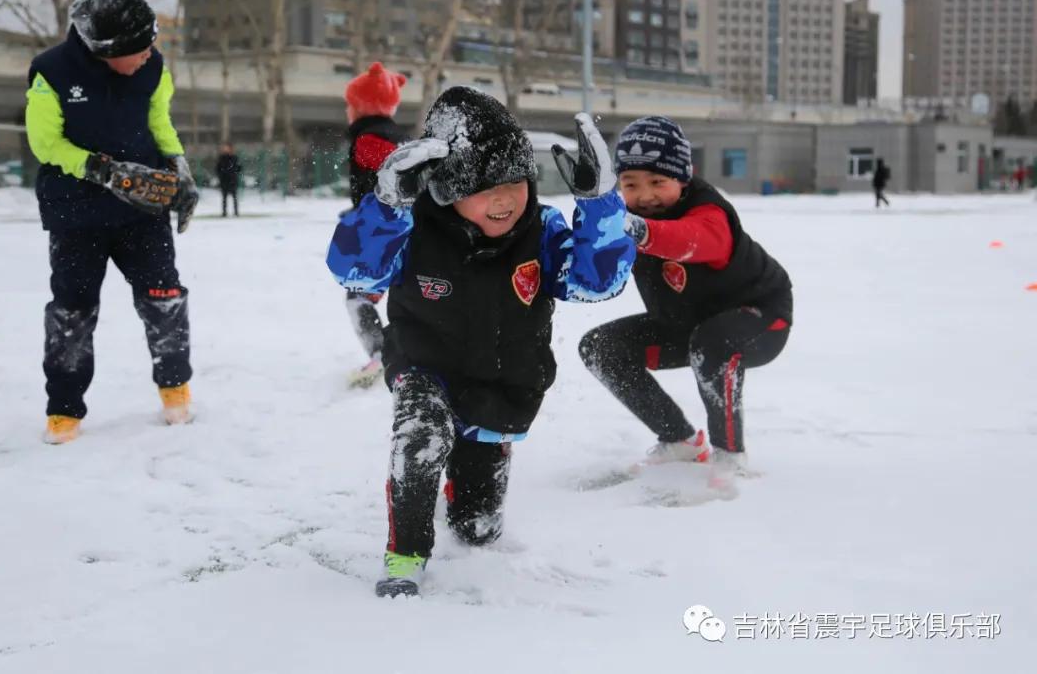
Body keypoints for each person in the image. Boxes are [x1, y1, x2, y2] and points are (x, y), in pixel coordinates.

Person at [327, 87, 635, 597]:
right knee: (420, 435)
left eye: (516, 182)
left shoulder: (541, 231)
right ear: (447, 188)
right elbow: (354, 267)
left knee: (477, 529)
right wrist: (384, 206)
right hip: (426, 364)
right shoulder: (412, 228)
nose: (505, 198)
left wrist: (600, 204)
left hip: (500, 385)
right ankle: (405, 554)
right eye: (484, 187)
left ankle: (466, 496)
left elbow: (596, 281)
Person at [25, 0, 199, 444]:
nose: (148, 53)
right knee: (72, 310)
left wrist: (178, 165)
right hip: (76, 214)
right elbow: (45, 143)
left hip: (141, 211)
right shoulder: (52, 72)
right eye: (139, 47)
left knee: (164, 297)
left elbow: (159, 121)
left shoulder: (152, 67)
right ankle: (64, 408)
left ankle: (175, 387)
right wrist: (101, 170)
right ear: (106, 49)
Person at [578, 116, 792, 471]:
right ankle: (679, 442)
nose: (644, 195)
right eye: (631, 184)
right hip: (686, 322)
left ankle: (730, 456)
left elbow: (692, 239)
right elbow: (598, 274)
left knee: (712, 343)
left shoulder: (709, 211)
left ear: (683, 176)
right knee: (601, 348)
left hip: (762, 320)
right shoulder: (626, 218)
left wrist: (638, 230)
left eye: (657, 182)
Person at [341, 61, 409, 388]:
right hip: (394, 230)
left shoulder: (370, 139)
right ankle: (402, 353)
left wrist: (374, 217)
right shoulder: (391, 134)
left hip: (386, 234)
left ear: (360, 107)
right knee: (403, 293)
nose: (346, 111)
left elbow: (395, 182)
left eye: (349, 105)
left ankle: (382, 355)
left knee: (358, 296)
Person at [215, 142, 242, 216]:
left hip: (233, 180)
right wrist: (221, 176)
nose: (226, 149)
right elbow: (218, 169)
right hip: (224, 181)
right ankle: (224, 212)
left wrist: (234, 173)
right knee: (224, 198)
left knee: (235, 197)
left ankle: (236, 212)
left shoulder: (235, 158)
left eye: (227, 148)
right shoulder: (221, 158)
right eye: (225, 148)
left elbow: (239, 168)